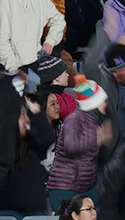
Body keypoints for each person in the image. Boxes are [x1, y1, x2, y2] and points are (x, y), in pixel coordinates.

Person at [47, 75, 110, 207]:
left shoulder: (94, 123)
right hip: (65, 188)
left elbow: (90, 161)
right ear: (94, 103)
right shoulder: (74, 119)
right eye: (103, 100)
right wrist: (97, 138)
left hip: (87, 188)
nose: (106, 103)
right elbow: (71, 146)